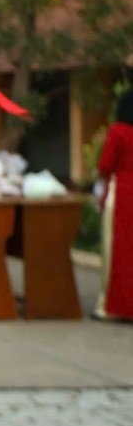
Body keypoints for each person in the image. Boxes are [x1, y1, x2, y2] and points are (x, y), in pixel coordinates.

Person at [96, 89, 133, 321]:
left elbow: (105, 165)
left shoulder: (118, 131)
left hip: (123, 193)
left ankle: (117, 306)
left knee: (118, 250)